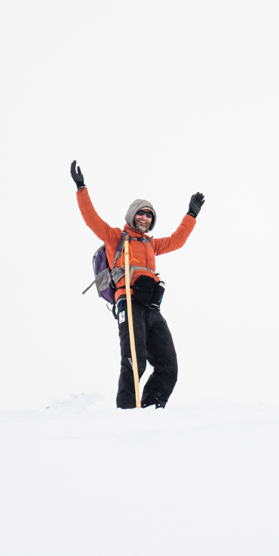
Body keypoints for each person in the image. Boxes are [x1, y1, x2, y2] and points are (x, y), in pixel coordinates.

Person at [70, 160, 204, 409]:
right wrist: (81, 188)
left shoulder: (151, 245)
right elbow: (92, 219)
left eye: (149, 215)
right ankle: (128, 413)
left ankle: (152, 408)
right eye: (141, 213)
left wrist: (191, 215)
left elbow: (177, 240)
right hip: (129, 305)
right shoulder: (115, 238)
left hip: (152, 309)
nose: (145, 217)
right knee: (134, 361)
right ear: (132, 216)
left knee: (168, 365)